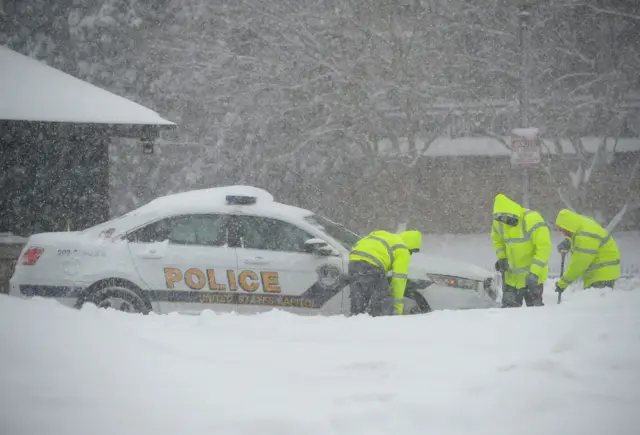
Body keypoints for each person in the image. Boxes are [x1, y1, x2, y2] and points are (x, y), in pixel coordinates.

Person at [491, 193, 552, 308]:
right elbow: (497, 241)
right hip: (511, 279)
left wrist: (535, 272)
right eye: (503, 220)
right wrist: (502, 258)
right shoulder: (498, 223)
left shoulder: (532, 219)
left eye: (509, 219)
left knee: (535, 313)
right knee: (509, 315)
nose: (506, 222)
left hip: (532, 279)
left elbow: (544, 248)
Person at [348, 229, 422, 316]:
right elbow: (398, 281)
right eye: (412, 251)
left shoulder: (387, 236)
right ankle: (382, 325)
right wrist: (397, 308)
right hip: (371, 265)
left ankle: (356, 321)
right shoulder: (403, 249)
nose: (410, 254)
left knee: (359, 300)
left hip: (353, 261)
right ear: (410, 246)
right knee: (383, 302)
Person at [553, 208, 621, 295]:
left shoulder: (585, 236)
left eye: (563, 230)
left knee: (595, 306)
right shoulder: (580, 224)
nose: (563, 233)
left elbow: (578, 264)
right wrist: (569, 242)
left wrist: (562, 283)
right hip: (601, 272)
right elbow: (574, 235)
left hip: (602, 274)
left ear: (568, 227)